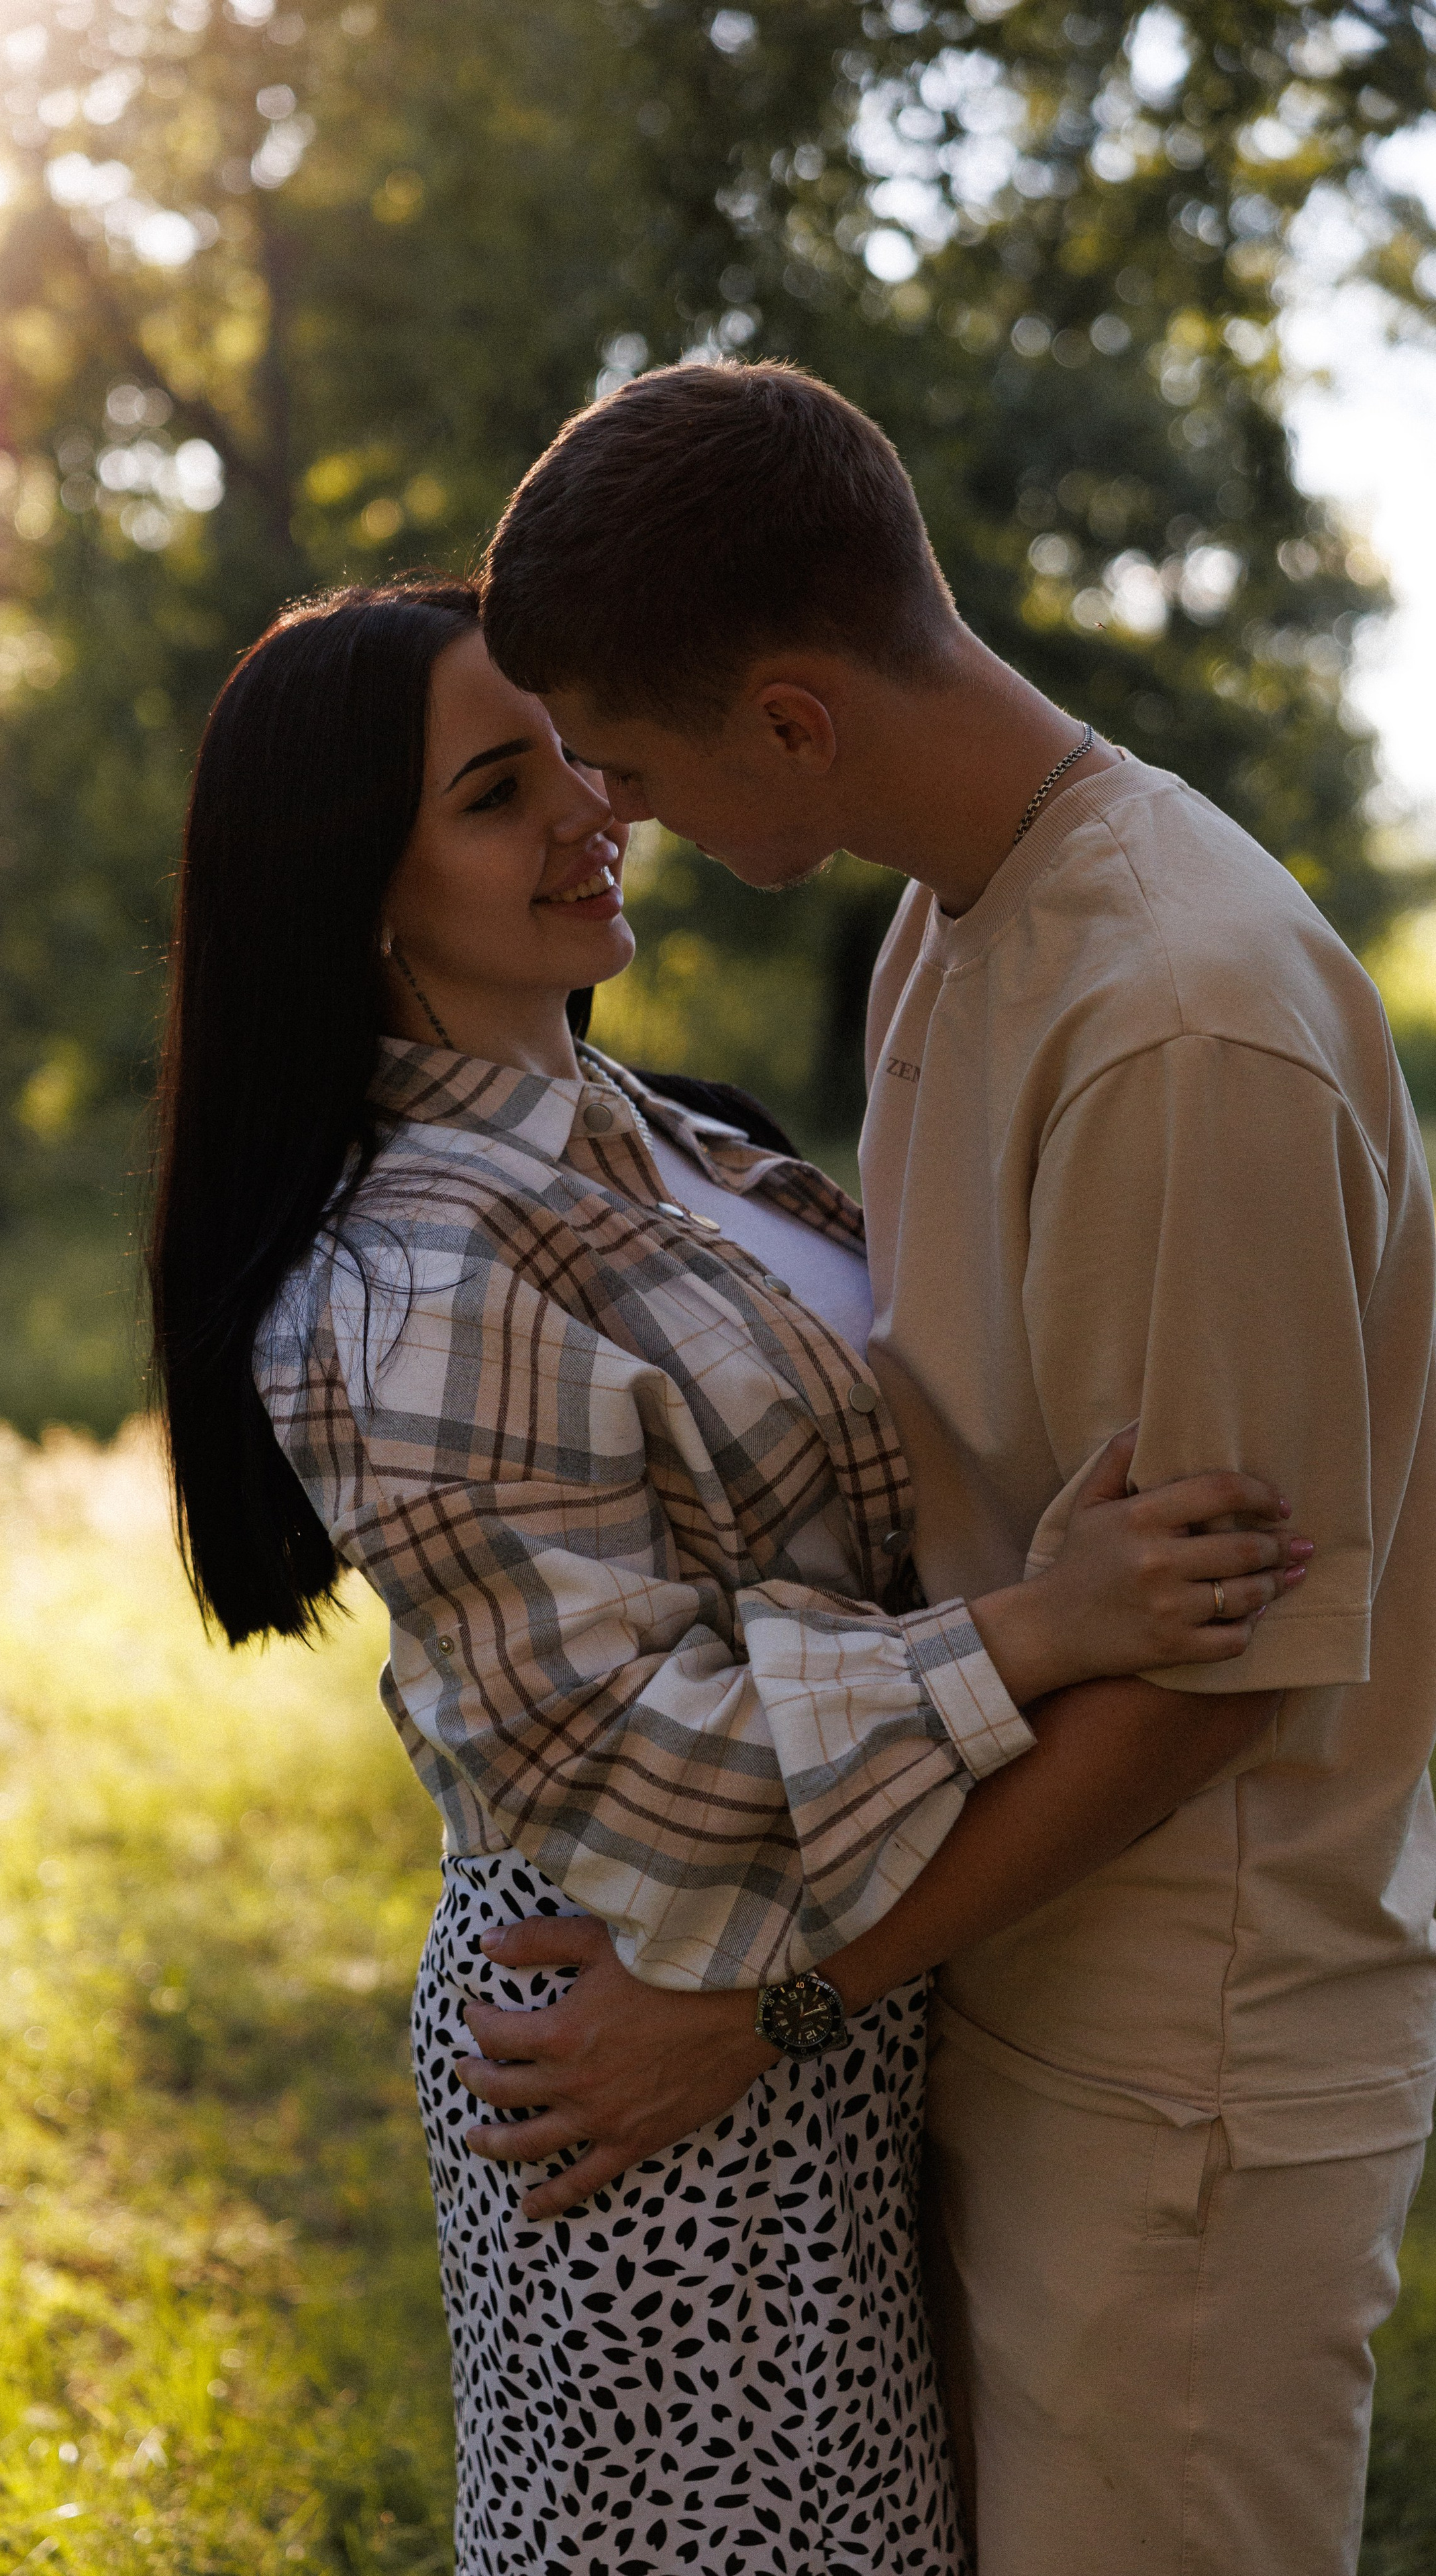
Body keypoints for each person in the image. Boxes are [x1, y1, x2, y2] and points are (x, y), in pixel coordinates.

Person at [148, 574, 1311, 2576]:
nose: (590, 810)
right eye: (499, 794)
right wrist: (1042, 1629)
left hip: (810, 1986)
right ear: (360, 890)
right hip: (631, 2011)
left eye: (575, 757)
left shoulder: (655, 1136)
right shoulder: (412, 1274)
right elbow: (647, 1754)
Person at [472, 358, 1436, 2576]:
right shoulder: (955, 917)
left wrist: (769, 2002)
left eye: (629, 755)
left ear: (793, 719)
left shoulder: (1185, 1023)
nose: (612, 813)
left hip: (1179, 2066)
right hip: (1003, 1985)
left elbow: (1218, 1677)